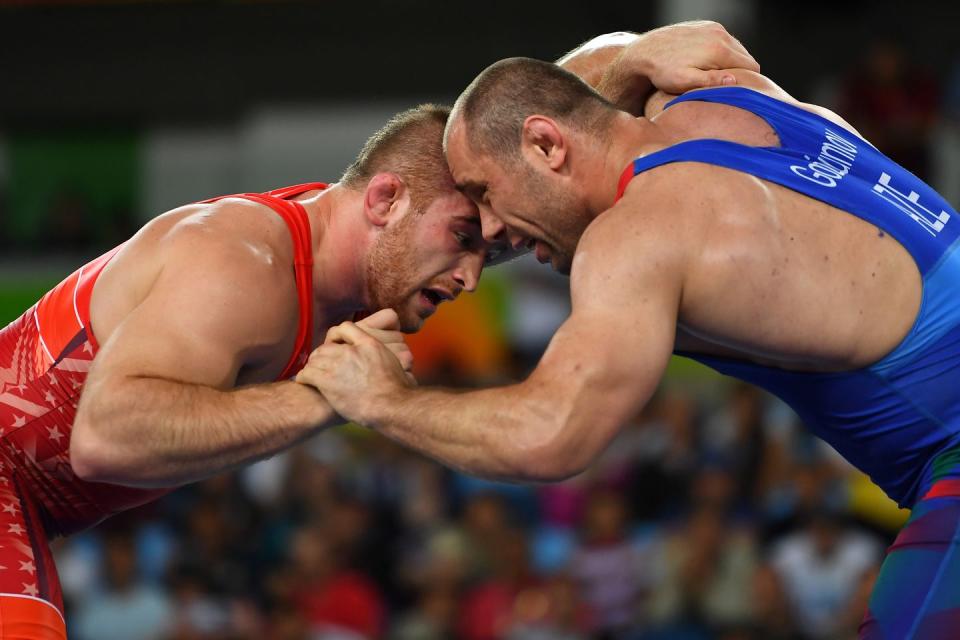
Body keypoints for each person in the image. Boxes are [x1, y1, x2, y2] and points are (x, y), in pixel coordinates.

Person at [0, 22, 753, 638]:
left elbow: (497, 116)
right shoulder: (242, 259)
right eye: (465, 237)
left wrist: (626, 60)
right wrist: (328, 399)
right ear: (386, 200)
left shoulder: (353, 253)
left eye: (488, 255)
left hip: (31, 510)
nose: (468, 278)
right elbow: (105, 437)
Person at [298, 26, 960, 640]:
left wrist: (384, 401)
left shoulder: (637, 237)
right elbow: (570, 83)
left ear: (547, 144)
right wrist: (633, 55)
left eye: (485, 195)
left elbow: (551, 435)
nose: (492, 233)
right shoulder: (728, 95)